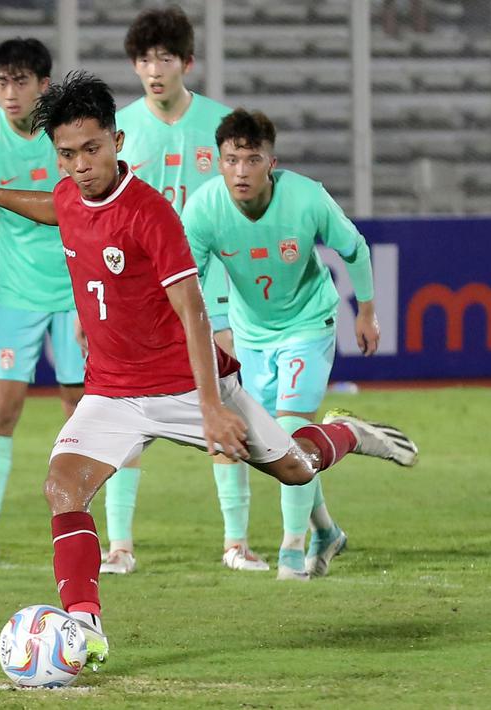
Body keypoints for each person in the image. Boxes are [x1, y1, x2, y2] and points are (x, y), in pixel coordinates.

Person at [0, 72, 417, 670]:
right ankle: (84, 628)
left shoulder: (151, 213)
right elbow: (53, 209)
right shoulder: (69, 192)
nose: (81, 164)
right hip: (113, 390)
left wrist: (214, 406)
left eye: (92, 149)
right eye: (67, 153)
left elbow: (192, 310)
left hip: (192, 384)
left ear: (116, 141)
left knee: (296, 472)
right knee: (63, 487)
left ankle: (346, 431)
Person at [183, 108, 387, 580]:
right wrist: (212, 325)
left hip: (308, 324)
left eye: (251, 160)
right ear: (218, 162)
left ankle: (291, 552)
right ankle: (326, 531)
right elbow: (187, 279)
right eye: (231, 159)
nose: (241, 171)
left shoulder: (306, 198)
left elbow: (354, 247)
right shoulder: (203, 209)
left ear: (270, 163)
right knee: (272, 446)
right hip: (250, 334)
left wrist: (368, 311)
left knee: (293, 431)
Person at [102, 5, 252, 576]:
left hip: (212, 292)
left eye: (165, 57)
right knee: (128, 418)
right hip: (136, 297)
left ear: (186, 61)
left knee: (229, 407)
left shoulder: (222, 126)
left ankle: (236, 542)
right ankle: (120, 545)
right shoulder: (118, 130)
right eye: (143, 59)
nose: (154, 69)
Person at [0, 38, 83, 566]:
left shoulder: (66, 134)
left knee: (83, 410)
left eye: (20, 81)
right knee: (2, 409)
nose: (9, 92)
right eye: (1, 82)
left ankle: (96, 530)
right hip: (16, 296)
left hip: (77, 293)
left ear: (43, 85)